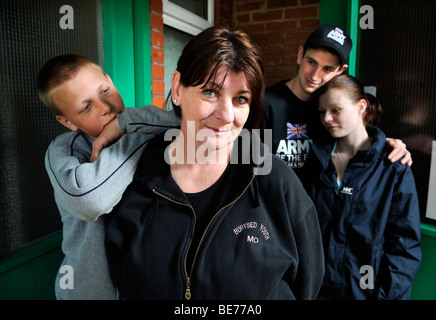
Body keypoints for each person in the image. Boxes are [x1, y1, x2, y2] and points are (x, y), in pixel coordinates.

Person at [104, 25, 325, 300]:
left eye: (240, 99)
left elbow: (308, 283)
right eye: (210, 92)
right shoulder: (131, 176)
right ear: (177, 88)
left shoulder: (275, 183)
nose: (226, 115)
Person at [37, 54, 180, 299]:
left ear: (110, 81)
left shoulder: (141, 123)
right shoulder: (63, 151)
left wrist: (129, 123)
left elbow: (189, 125)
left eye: (105, 90)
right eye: (86, 106)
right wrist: (136, 139)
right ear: (67, 121)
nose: (105, 107)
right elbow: (93, 200)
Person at [301, 74, 421, 299]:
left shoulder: (393, 166)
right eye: (322, 111)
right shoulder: (317, 160)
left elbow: (404, 247)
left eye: (336, 110)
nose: (327, 118)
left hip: (366, 293)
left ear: (361, 106)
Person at [261, 24, 412, 178]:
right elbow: (248, 166)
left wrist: (384, 144)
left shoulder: (331, 110)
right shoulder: (265, 104)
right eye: (311, 62)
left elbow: (355, 140)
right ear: (300, 54)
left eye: (327, 69)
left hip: (319, 201)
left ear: (340, 71)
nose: (314, 75)